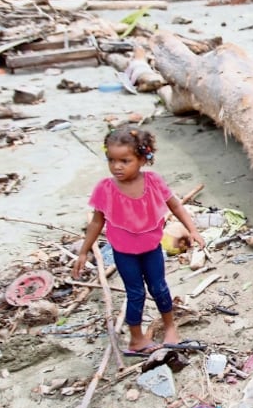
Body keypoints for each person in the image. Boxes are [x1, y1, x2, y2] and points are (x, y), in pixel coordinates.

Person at [73, 128, 205, 354]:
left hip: (152, 248)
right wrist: (84, 251)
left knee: (159, 287)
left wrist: (192, 229)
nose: (117, 167)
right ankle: (136, 339)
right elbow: (96, 222)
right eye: (111, 160)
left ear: (143, 159)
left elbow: (175, 205)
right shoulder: (106, 188)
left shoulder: (153, 181)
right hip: (124, 253)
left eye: (125, 161)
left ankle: (170, 326)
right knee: (135, 293)